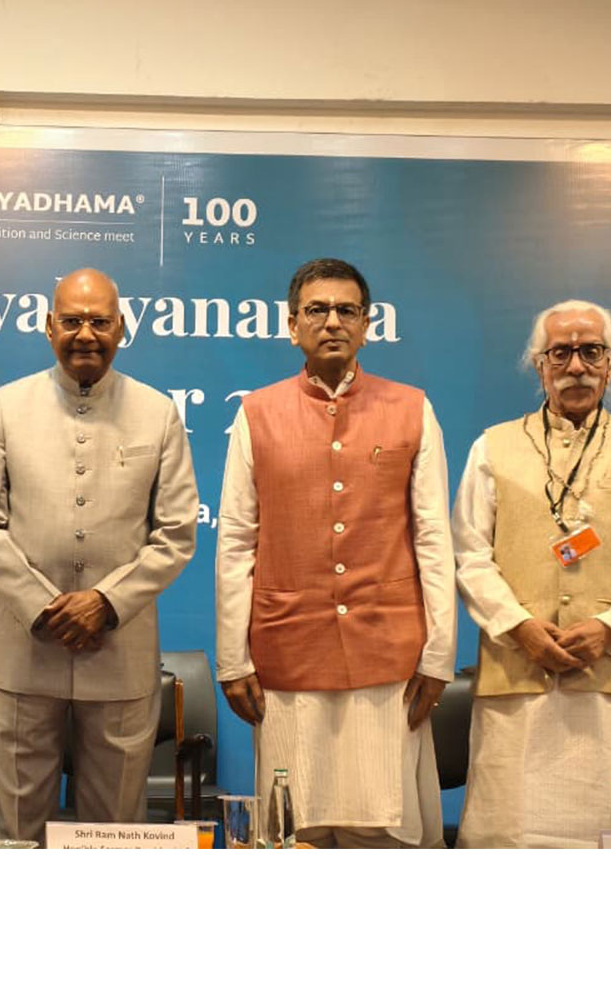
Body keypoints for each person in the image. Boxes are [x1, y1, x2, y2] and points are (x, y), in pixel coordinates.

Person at [215, 258, 454, 848]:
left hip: (389, 654)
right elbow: (236, 540)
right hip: (287, 651)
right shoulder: (257, 413)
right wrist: (232, 659)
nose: (332, 322)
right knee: (295, 831)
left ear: (367, 324)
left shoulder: (412, 408)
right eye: (316, 310)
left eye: (347, 310)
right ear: (291, 325)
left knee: (385, 832)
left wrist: (440, 654)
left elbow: (433, 537)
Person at [0, 267, 198, 846]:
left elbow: (176, 533)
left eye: (99, 321)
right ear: (47, 327)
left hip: (119, 655)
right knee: (18, 832)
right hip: (21, 653)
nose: (85, 333)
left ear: (122, 328)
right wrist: (43, 605)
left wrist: (106, 603)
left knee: (113, 835)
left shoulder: (158, 412)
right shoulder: (5, 408)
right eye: (71, 321)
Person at [451, 300, 611, 847]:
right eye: (561, 352)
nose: (576, 365)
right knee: (508, 845)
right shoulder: (492, 448)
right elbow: (468, 555)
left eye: (591, 351)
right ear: (539, 364)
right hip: (517, 686)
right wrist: (519, 627)